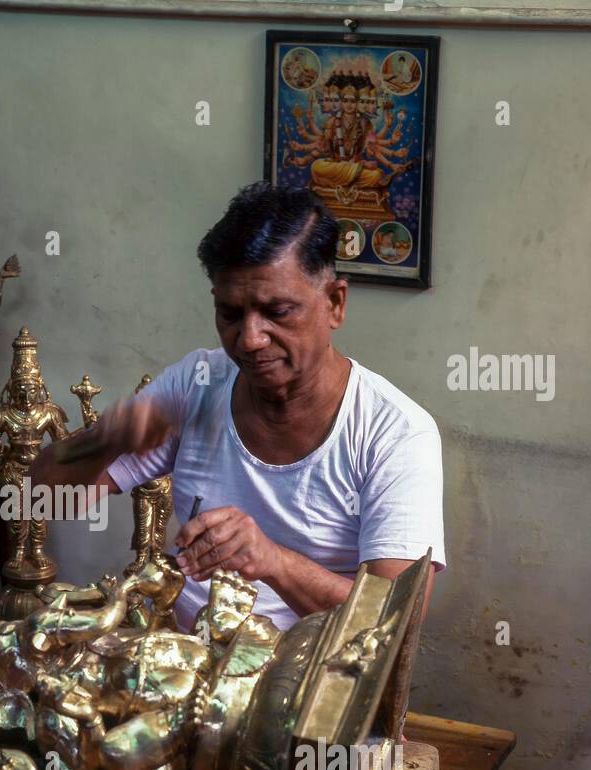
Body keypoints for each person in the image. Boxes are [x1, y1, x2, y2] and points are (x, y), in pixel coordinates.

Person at [33, 183, 445, 633]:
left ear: (334, 303)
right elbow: (39, 498)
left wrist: (274, 562)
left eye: (278, 312)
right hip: (184, 656)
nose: (250, 339)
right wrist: (104, 440)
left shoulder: (395, 433)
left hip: (311, 668)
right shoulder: (197, 382)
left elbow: (396, 622)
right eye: (230, 314)